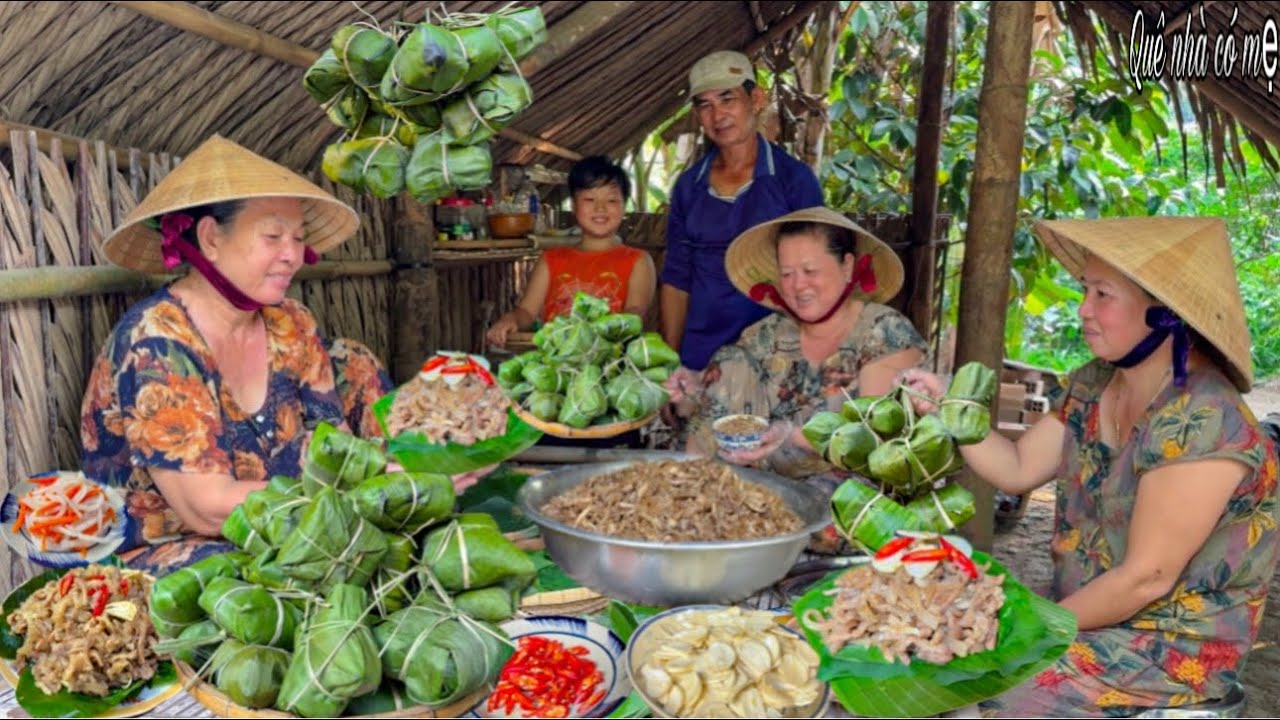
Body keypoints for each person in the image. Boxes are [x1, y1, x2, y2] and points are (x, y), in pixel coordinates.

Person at [900, 217, 1280, 717]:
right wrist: (949, 409)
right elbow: (1016, 467)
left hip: (1166, 648)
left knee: (978, 691)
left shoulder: (1202, 419)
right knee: (929, 633)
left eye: (1103, 294)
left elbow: (1145, 578)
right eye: (1085, 290)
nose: (1083, 308)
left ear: (1164, 313)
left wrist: (1019, 632)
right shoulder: (1096, 383)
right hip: (1089, 614)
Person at [79, 135, 471, 574]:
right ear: (210, 238)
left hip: (286, 526)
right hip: (179, 549)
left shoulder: (290, 322)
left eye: (298, 238)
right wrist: (372, 489)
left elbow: (337, 449)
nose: (293, 255)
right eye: (272, 236)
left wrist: (407, 471)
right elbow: (206, 509)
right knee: (297, 579)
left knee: (383, 548)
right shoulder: (157, 344)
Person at [670, 206, 927, 490]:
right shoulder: (767, 335)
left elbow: (874, 440)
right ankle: (693, 491)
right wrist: (690, 388)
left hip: (855, 498)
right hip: (765, 490)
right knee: (729, 361)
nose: (798, 285)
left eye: (809, 271)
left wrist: (791, 436)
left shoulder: (884, 331)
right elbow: (713, 404)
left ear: (847, 266)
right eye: (787, 274)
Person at [659, 49, 824, 387]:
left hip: (776, 365)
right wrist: (672, 364)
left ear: (756, 99)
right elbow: (677, 279)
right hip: (701, 361)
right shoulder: (689, 186)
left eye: (727, 99)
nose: (717, 115)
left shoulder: (793, 180)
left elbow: (816, 277)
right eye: (705, 105)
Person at [485, 155, 655, 347]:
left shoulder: (638, 261)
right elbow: (527, 311)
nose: (600, 208)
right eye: (589, 199)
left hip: (611, 361)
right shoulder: (551, 260)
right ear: (574, 206)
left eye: (611, 200)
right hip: (555, 361)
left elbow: (635, 314)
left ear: (624, 207)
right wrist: (511, 319)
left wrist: (598, 336)